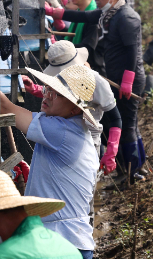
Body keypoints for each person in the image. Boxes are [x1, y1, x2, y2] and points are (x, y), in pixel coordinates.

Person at [0, 55, 99, 259]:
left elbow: (3, 106)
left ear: (75, 110)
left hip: (61, 244)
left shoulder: (60, 131)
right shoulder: (75, 130)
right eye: (48, 88)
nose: (47, 96)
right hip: (74, 242)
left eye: (57, 94)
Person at [49, 0, 147, 184]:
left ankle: (131, 172)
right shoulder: (109, 14)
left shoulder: (126, 18)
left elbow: (132, 53)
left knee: (127, 124)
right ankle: (131, 168)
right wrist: (56, 12)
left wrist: (128, 81)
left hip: (128, 79)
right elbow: (84, 17)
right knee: (124, 122)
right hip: (116, 76)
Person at [21, 41, 121, 172]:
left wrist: (111, 153)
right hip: (58, 135)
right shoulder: (58, 78)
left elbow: (115, 118)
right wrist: (34, 88)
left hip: (87, 141)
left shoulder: (97, 82)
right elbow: (56, 95)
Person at [59, 0, 100, 74]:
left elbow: (86, 48)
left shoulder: (94, 17)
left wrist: (60, 47)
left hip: (89, 74)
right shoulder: (79, 13)